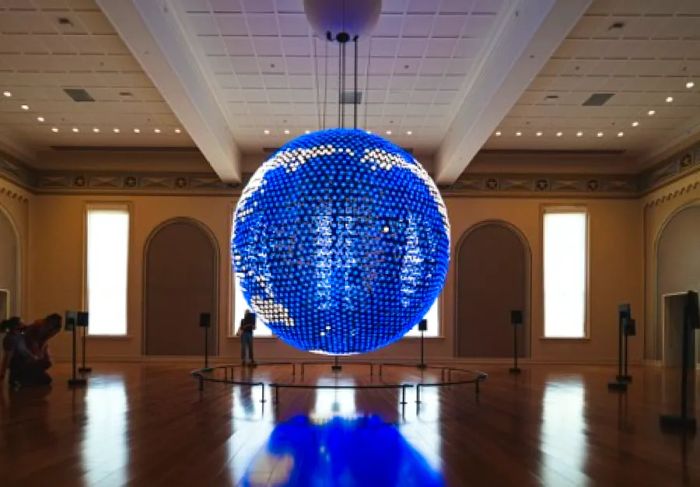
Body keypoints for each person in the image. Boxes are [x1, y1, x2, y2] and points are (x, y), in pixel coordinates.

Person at [0, 313, 61, 388]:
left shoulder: (19, 337)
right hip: (19, 364)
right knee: (45, 376)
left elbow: (29, 349)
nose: (25, 325)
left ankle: (24, 377)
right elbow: (8, 356)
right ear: (16, 326)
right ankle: (19, 378)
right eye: (22, 323)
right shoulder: (12, 339)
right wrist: (2, 373)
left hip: (24, 361)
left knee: (46, 376)